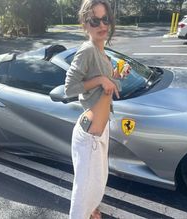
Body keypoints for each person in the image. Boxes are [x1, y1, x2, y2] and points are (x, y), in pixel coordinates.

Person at [64, 0, 130, 218]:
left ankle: (91, 210)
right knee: (83, 191)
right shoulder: (87, 50)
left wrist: (116, 76)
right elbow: (69, 88)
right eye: (94, 20)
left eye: (105, 19)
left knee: (97, 182)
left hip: (100, 131)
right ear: (85, 24)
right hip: (89, 136)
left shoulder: (102, 52)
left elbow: (105, 86)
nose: (102, 25)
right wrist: (102, 79)